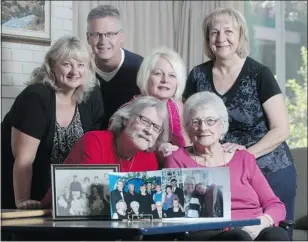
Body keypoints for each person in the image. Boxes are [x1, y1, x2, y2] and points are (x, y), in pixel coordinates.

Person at [183, 7, 297, 226]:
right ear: (208, 38)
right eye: (214, 32)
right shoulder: (198, 75)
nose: (221, 38)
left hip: (271, 169)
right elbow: (186, 122)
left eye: (228, 31)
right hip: (222, 175)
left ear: (240, 36)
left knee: (275, 235)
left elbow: (282, 129)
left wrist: (246, 157)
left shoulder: (259, 73)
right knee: (231, 234)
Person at [166, 91, 290, 241]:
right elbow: (172, 208)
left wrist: (262, 222)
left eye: (210, 120)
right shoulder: (178, 159)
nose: (203, 127)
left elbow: (274, 204)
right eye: (195, 122)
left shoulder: (243, 158)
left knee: (277, 235)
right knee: (238, 236)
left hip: (254, 227)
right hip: (207, 232)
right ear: (187, 127)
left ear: (222, 124)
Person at [1, 35, 104, 209]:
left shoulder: (91, 96)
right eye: (67, 64)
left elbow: (92, 151)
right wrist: (22, 202)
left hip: (66, 196)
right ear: (52, 65)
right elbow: (23, 160)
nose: (74, 71)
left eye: (81, 65)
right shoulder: (36, 97)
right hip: (21, 189)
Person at [41, 96, 169, 207]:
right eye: (145, 121)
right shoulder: (94, 142)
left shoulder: (149, 159)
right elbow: (87, 200)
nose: (149, 130)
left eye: (156, 127)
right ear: (126, 119)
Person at [86, 5, 143, 129]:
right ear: (88, 38)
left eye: (110, 34)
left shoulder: (141, 68)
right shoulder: (80, 71)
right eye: (96, 34)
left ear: (121, 36)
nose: (103, 41)